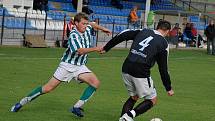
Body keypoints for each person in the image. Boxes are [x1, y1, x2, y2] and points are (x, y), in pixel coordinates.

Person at [10, 12, 111, 118]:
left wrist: (103, 28)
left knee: (95, 83)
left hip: (80, 66)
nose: (86, 26)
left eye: (86, 24)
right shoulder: (73, 35)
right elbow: (80, 51)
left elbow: (93, 24)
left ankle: (76, 107)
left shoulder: (87, 27)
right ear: (76, 23)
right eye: (83, 24)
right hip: (67, 66)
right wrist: (95, 48)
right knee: (48, 88)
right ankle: (21, 102)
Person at [100, 20, 174, 121]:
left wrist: (106, 47)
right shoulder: (163, 43)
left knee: (134, 96)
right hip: (141, 71)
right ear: (168, 31)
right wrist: (168, 87)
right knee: (152, 99)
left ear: (157, 27)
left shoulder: (143, 31)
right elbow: (163, 68)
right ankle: (129, 116)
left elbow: (123, 34)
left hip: (126, 67)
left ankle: (123, 118)